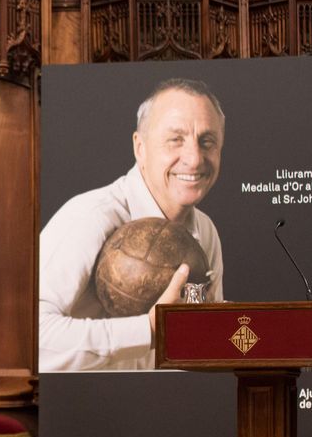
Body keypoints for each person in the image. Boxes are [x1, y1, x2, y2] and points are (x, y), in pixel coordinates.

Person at [39, 77, 226, 372]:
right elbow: (34, 340)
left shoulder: (205, 231)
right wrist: (148, 330)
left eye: (207, 141)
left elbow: (197, 349)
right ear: (140, 147)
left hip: (167, 409)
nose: (194, 158)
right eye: (175, 139)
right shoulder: (91, 216)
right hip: (87, 412)